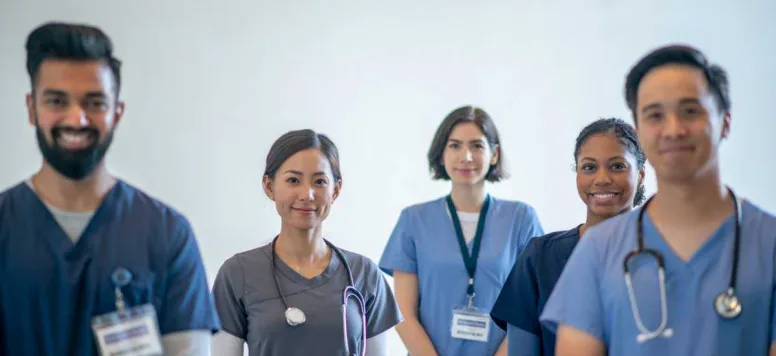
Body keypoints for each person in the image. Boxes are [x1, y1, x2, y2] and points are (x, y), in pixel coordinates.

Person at [540, 44, 776, 356]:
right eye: (655, 115)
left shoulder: (769, 243)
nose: (673, 129)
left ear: (725, 122)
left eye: (690, 111)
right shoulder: (599, 250)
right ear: (640, 131)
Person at [0, 22, 220, 355]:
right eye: (57, 101)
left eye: (95, 102)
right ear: (32, 109)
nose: (77, 119)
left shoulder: (166, 234)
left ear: (117, 112)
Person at [210, 129, 402, 356]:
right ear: (269, 187)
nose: (307, 194)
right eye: (293, 180)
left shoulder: (364, 274)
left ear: (336, 190)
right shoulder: (237, 273)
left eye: (320, 181)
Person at [379, 105, 545, 356]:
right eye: (455, 145)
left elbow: (528, 310)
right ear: (441, 154)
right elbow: (404, 314)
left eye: (477, 146)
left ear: (494, 154)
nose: (466, 156)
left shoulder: (521, 219)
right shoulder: (414, 220)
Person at [489, 118, 647, 356]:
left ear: (641, 175)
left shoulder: (662, 255)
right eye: (589, 167)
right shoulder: (540, 257)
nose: (602, 178)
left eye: (617, 166)